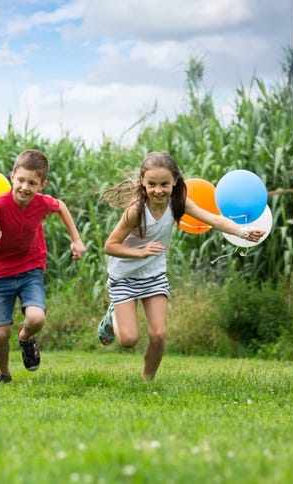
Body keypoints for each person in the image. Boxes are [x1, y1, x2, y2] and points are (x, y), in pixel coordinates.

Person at [98, 151, 265, 380]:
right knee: (128, 341)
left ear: (175, 182)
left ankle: (147, 382)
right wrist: (141, 251)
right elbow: (110, 245)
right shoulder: (136, 211)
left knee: (158, 334)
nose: (158, 190)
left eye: (165, 184)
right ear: (143, 182)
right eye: (152, 184)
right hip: (124, 275)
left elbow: (214, 219)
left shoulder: (178, 202)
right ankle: (112, 316)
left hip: (154, 275)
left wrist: (242, 231)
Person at [0, 149, 86, 383]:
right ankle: (3, 372)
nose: (25, 187)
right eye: (21, 180)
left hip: (30, 268)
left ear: (42, 184)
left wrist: (76, 239)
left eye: (32, 183)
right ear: (12, 176)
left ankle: (25, 338)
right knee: (0, 333)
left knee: (36, 318)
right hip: (0, 274)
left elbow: (60, 206)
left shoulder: (42, 203)